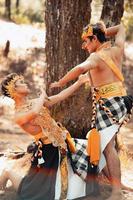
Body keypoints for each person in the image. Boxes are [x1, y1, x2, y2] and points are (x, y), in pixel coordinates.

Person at [50, 21, 133, 200]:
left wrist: (60, 82)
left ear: (95, 39)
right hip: (118, 101)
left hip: (107, 105)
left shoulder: (96, 57)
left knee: (108, 148)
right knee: (101, 145)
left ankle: (117, 191)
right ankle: (116, 183)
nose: (85, 46)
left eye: (87, 41)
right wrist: (102, 31)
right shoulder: (117, 49)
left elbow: (79, 68)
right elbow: (121, 28)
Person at [1, 72, 102, 200]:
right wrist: (42, 96)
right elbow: (34, 112)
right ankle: (7, 172)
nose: (25, 83)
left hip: (62, 145)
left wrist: (79, 82)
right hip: (47, 151)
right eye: (21, 83)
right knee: (34, 193)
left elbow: (59, 96)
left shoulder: (35, 102)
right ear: (13, 90)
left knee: (94, 151)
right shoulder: (18, 115)